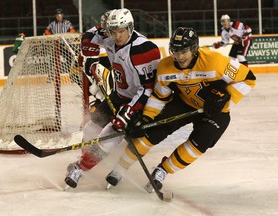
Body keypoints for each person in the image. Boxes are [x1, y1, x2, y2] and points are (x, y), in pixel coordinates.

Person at [105, 27, 256, 190]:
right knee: (150, 131)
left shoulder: (215, 61)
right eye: (176, 51)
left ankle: (163, 170)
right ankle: (120, 168)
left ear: (194, 49)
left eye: (184, 51)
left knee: (202, 142)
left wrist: (224, 99)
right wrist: (147, 117)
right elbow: (159, 96)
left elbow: (249, 79)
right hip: (183, 103)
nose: (179, 56)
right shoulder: (166, 66)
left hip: (214, 111)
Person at [64, 8, 161, 188]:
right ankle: (87, 159)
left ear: (130, 28)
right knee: (91, 128)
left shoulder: (143, 49)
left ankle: (85, 168)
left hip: (141, 102)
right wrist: (90, 57)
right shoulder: (109, 35)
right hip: (119, 95)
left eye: (121, 31)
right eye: (113, 32)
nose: (117, 36)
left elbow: (148, 88)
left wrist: (129, 111)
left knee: (110, 136)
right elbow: (90, 34)